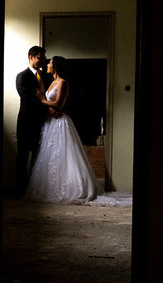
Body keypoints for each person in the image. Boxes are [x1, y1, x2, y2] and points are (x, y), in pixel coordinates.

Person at [23, 56, 104, 204]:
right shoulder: (51, 82)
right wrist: (47, 107)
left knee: (64, 153)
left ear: (56, 67)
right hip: (50, 122)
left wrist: (42, 100)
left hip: (60, 122)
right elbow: (51, 104)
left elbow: (58, 103)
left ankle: (71, 188)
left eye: (50, 63)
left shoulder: (63, 83)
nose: (47, 65)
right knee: (50, 155)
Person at [15, 46, 50, 196]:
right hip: (26, 123)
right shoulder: (22, 76)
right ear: (31, 57)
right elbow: (27, 98)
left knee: (38, 158)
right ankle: (20, 191)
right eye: (40, 58)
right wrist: (46, 106)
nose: (43, 61)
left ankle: (34, 191)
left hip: (43, 123)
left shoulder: (46, 76)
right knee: (22, 158)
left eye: (44, 59)